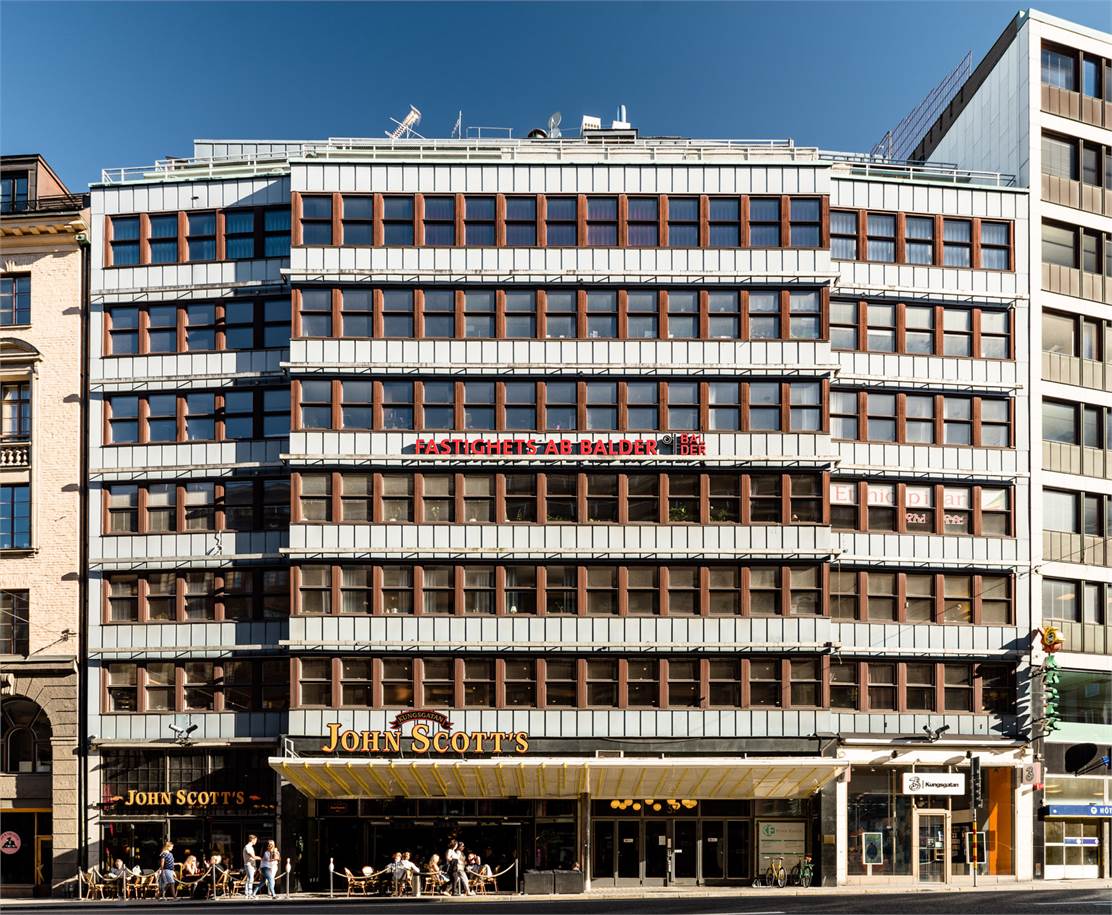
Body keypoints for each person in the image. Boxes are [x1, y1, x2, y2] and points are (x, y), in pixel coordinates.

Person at [242, 834, 260, 898]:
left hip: (249, 865)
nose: (256, 841)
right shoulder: (248, 847)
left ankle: (247, 893)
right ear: (252, 840)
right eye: (255, 840)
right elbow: (253, 856)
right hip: (249, 865)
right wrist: (262, 858)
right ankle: (250, 893)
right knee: (251, 879)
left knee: (249, 878)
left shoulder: (250, 847)